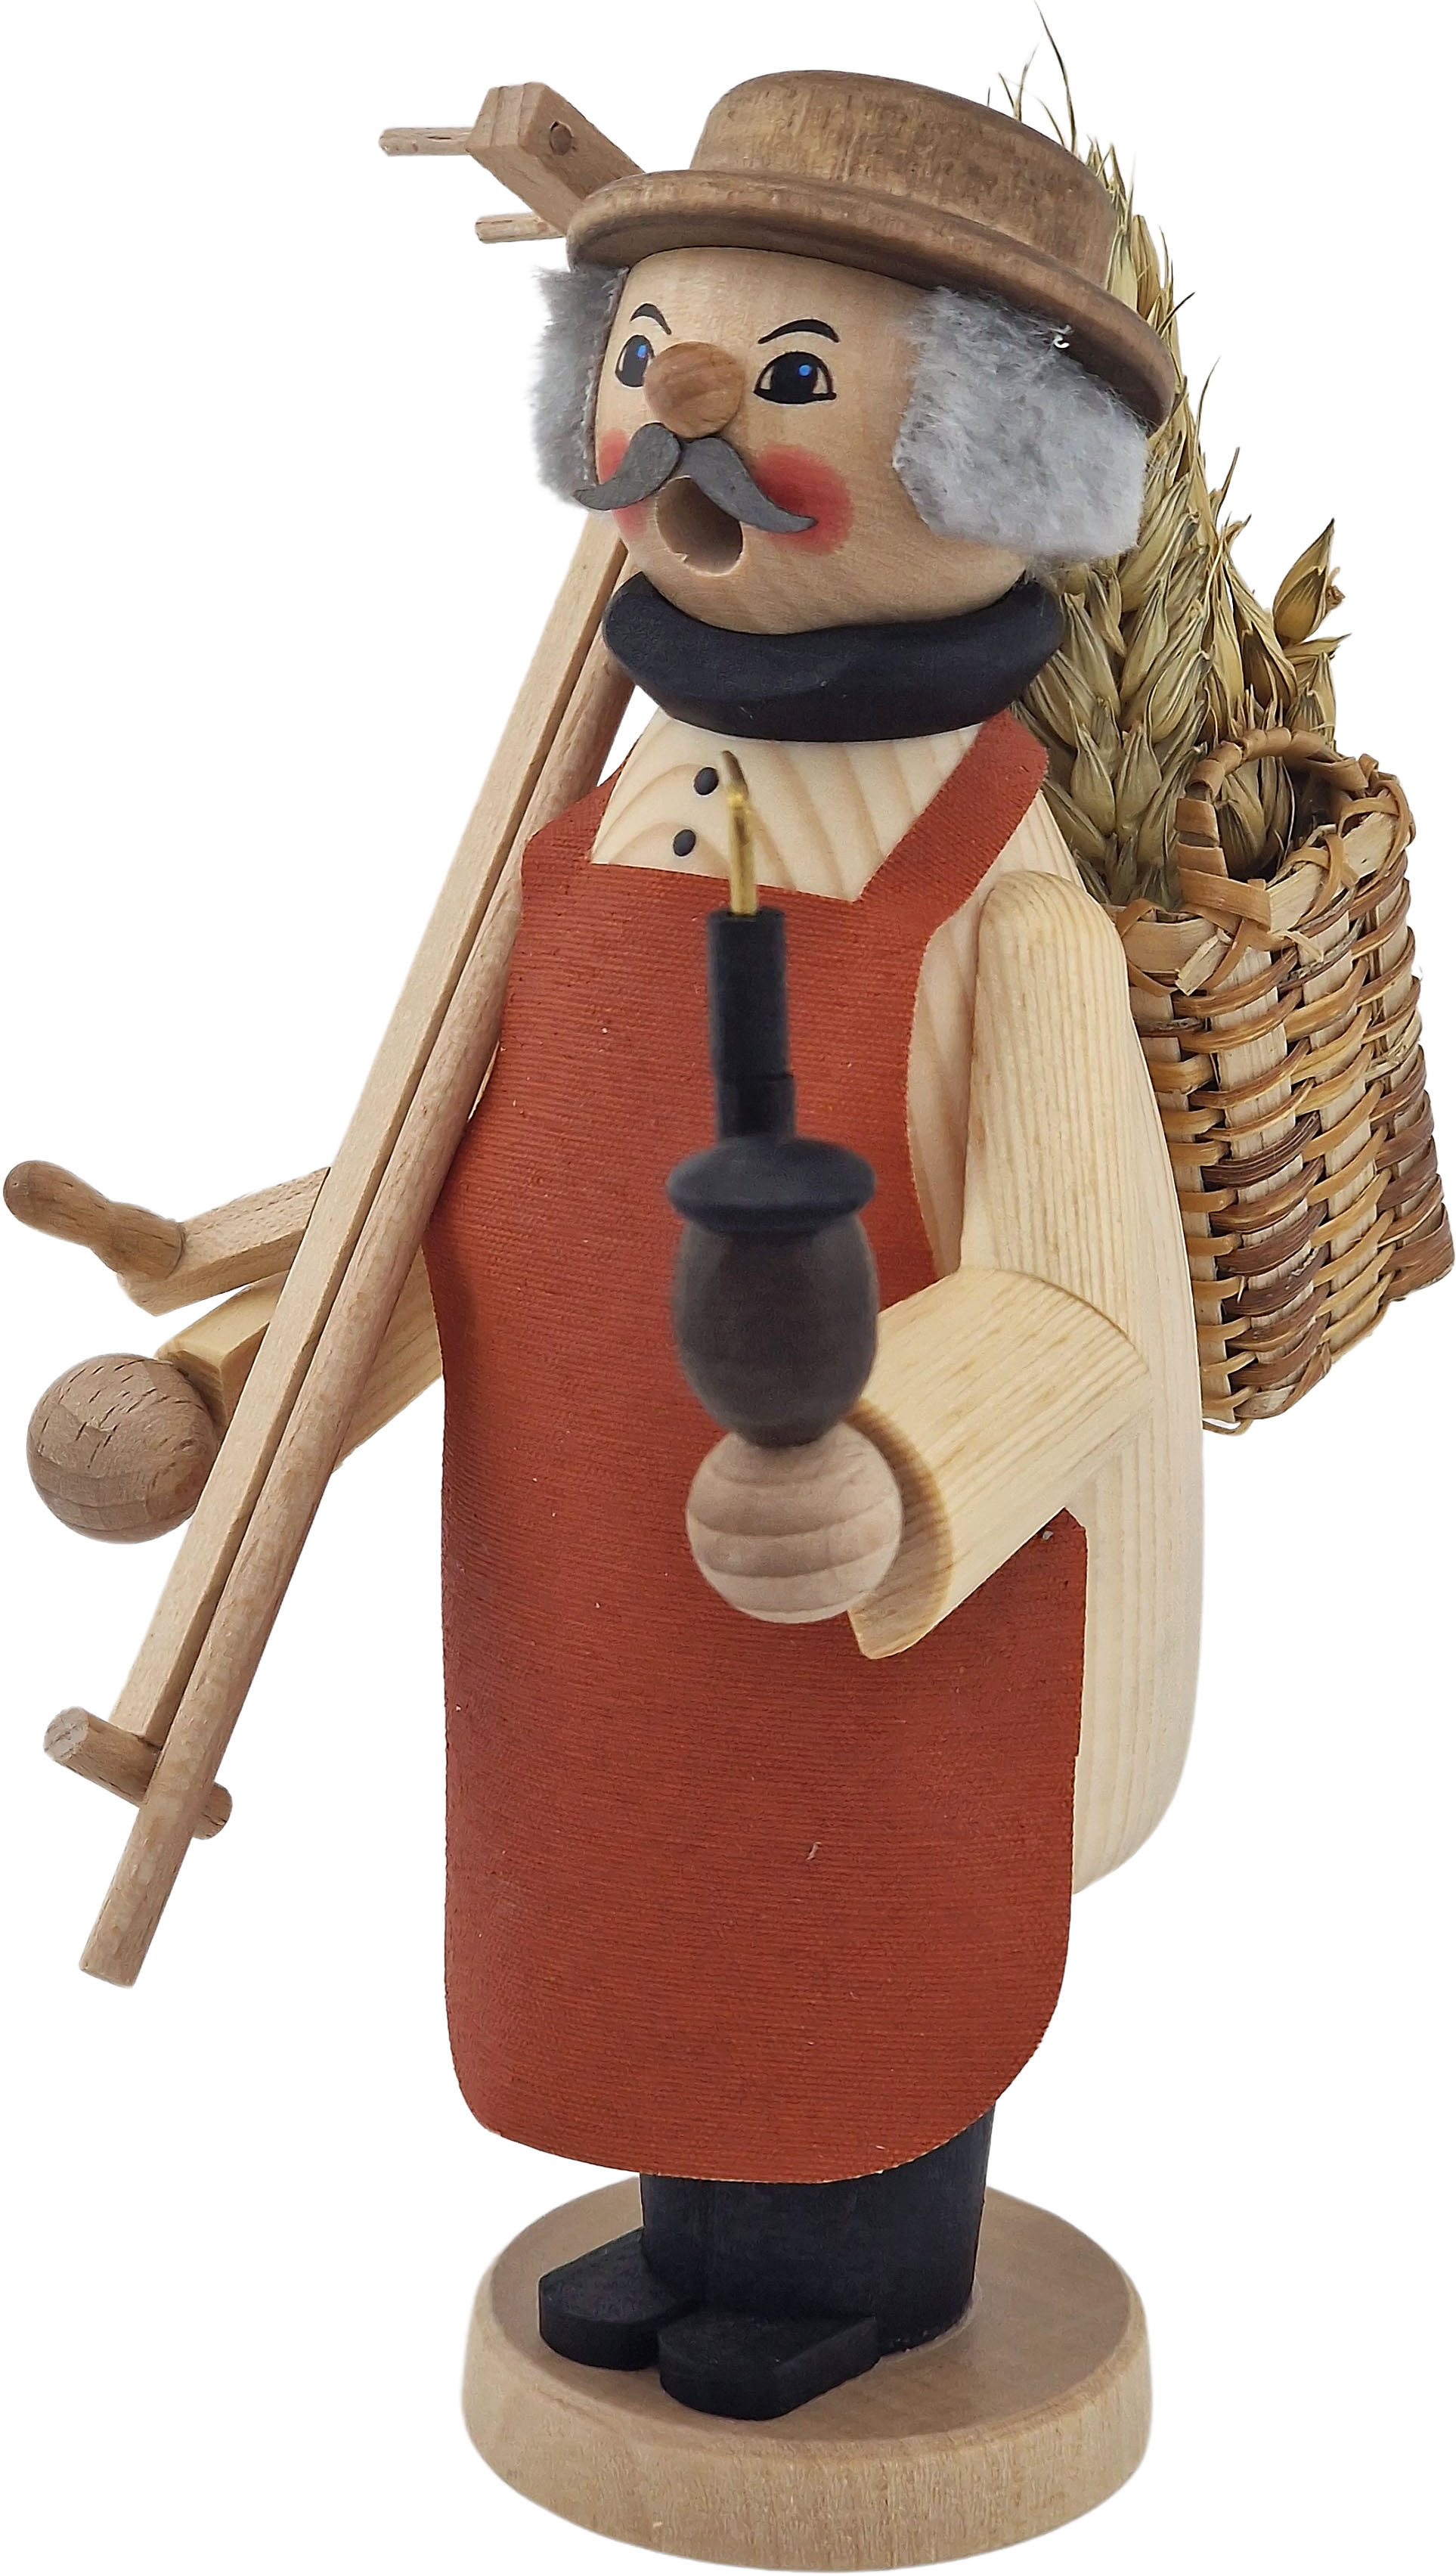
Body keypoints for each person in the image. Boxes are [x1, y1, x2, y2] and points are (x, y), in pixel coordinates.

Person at [421, 71, 1202, 2421]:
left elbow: (1077, 1291)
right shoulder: (595, 826)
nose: (682, 396)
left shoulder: (1006, 899)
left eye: (786, 368)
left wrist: (892, 1462)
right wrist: (253, 1337)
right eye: (647, 345)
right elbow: (459, 1180)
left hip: (869, 1586)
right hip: (583, 1546)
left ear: (995, 453)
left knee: (842, 1913)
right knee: (638, 1881)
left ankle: (872, 2265)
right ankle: (698, 2231)